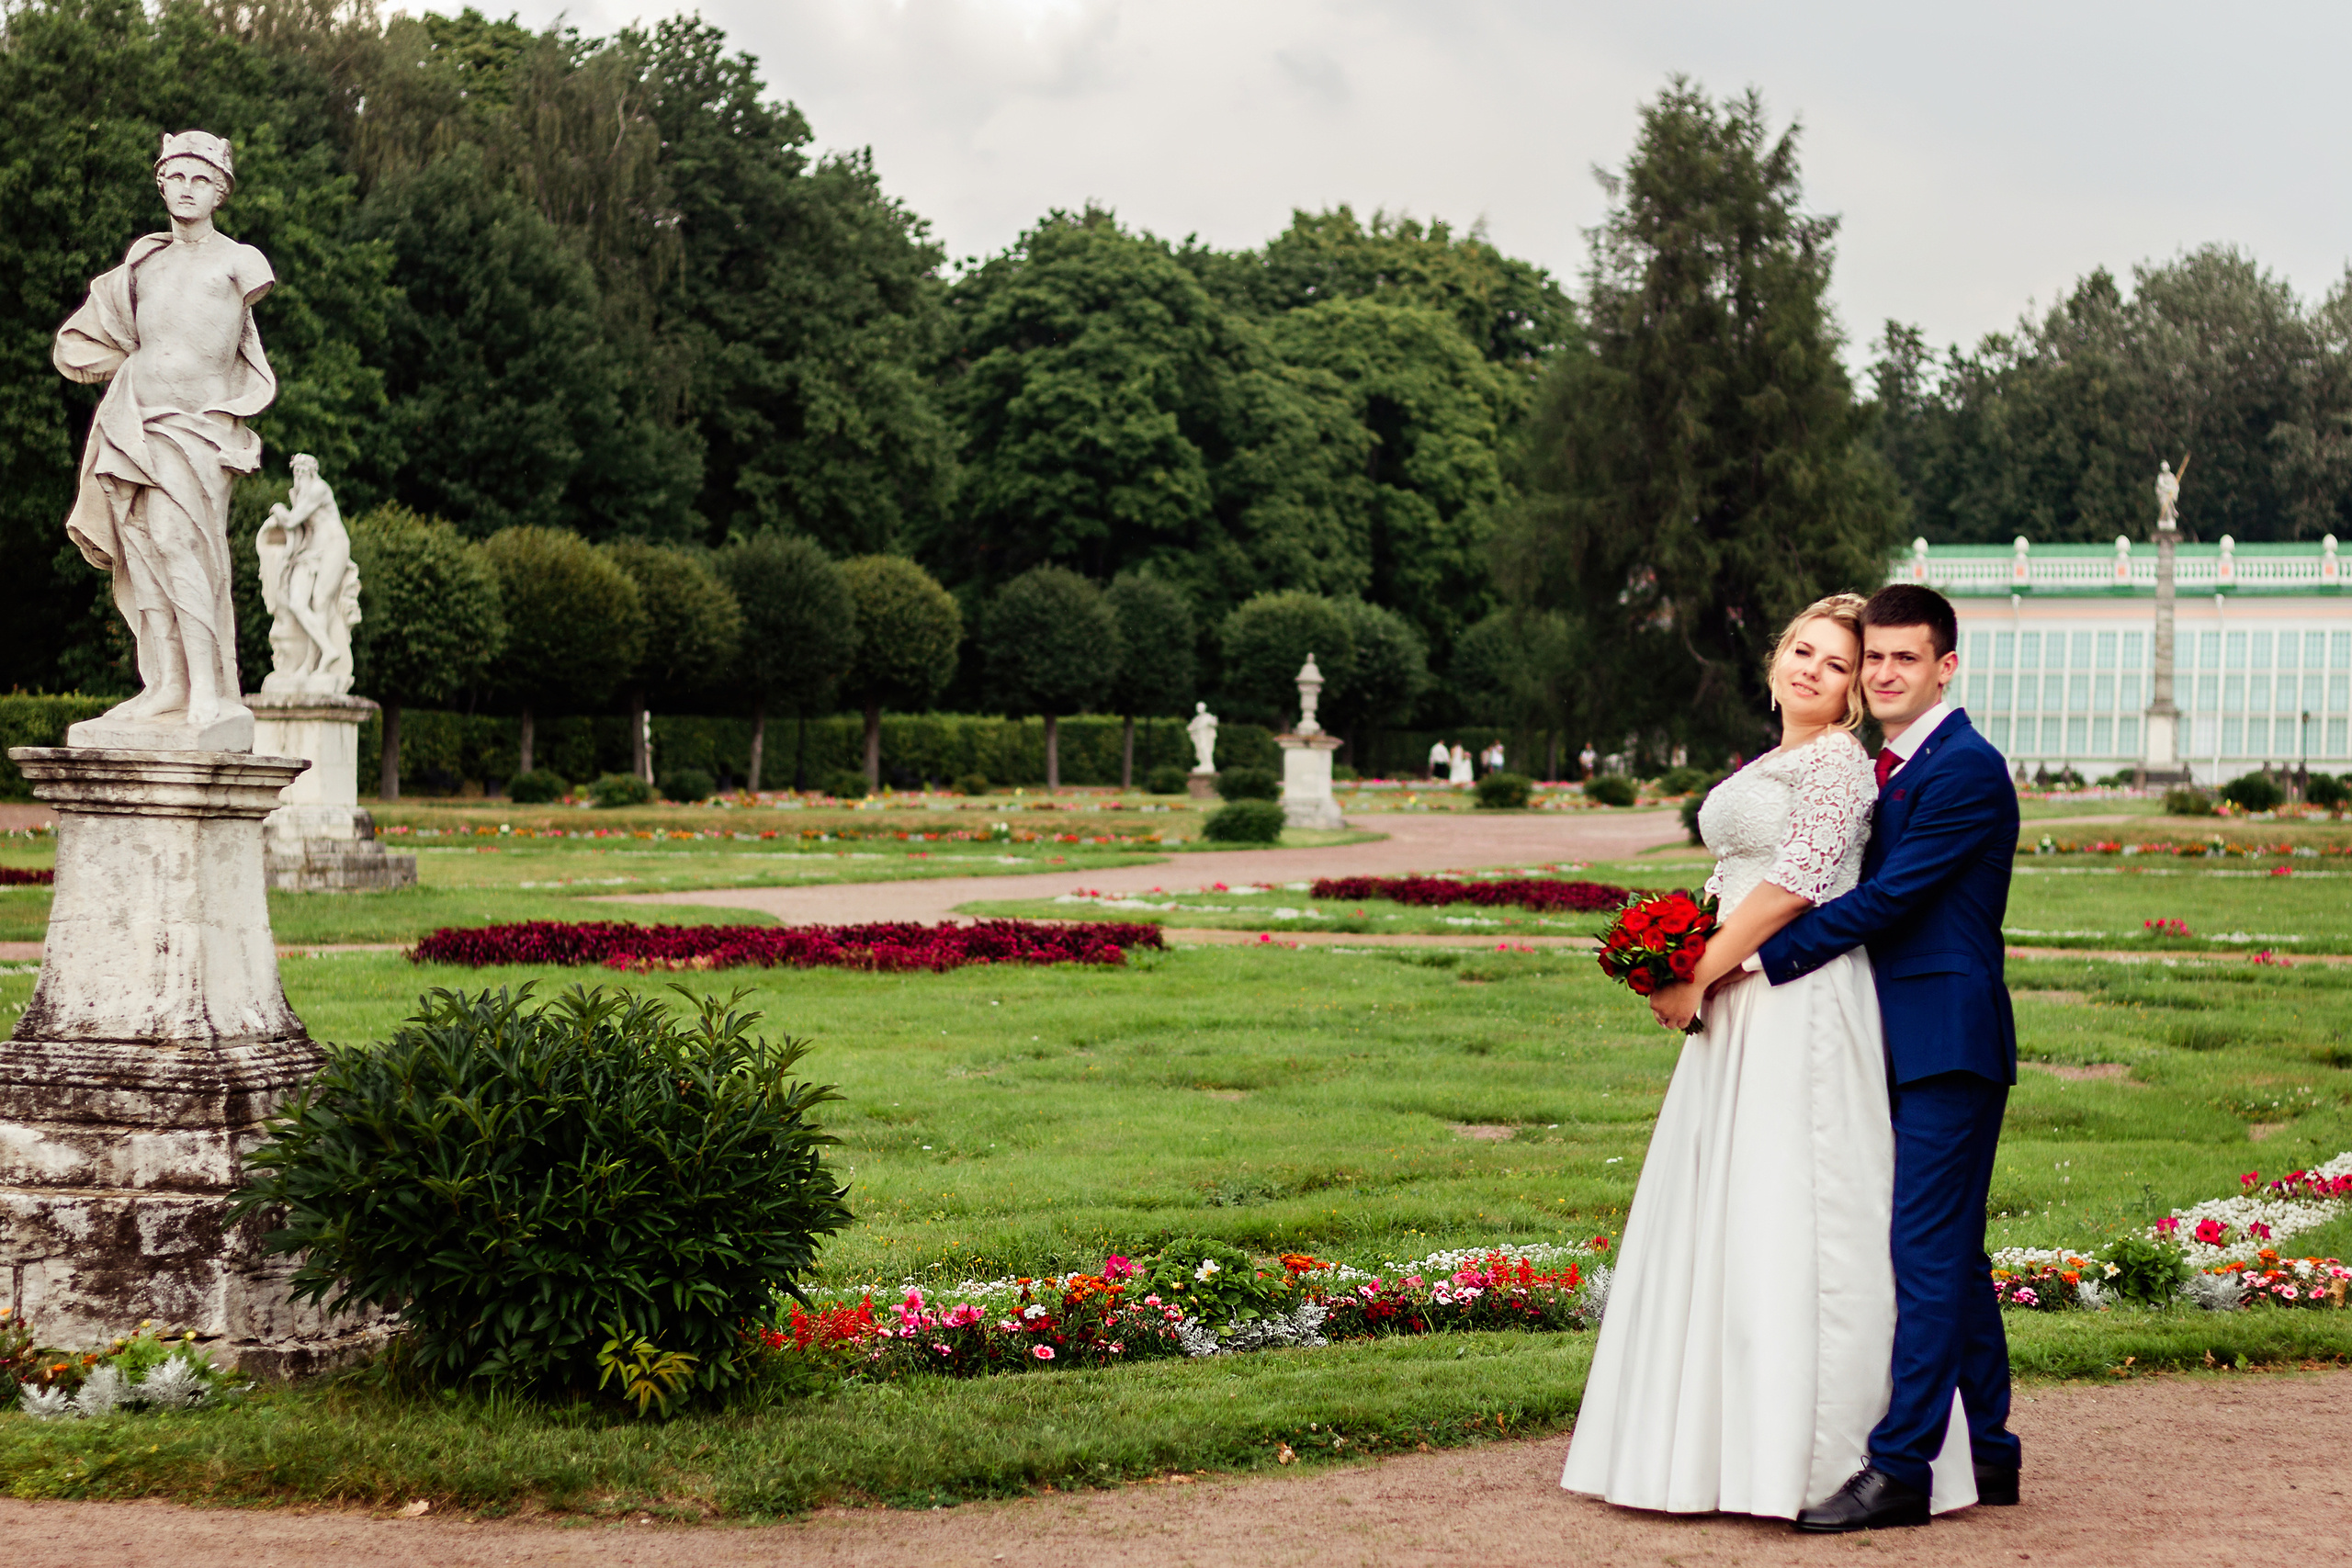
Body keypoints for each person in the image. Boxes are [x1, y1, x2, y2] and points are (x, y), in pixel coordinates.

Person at [1561, 592, 1974, 1521]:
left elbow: (1795, 885)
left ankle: (1807, 1457)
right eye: (1802, 650)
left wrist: (1696, 972)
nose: (1812, 670)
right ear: (1776, 658)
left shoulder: (1837, 763)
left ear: (1853, 692)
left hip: (1798, 1000)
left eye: (1837, 664)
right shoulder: (1773, 759)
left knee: (1793, 1211)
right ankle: (1708, 1448)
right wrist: (1670, 950)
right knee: (1724, 1206)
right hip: (1736, 993)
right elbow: (1735, 874)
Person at [1750, 583, 2022, 1532]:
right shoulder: (1891, 765)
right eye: (1874, 657)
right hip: (1891, 1038)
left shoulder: (1965, 768)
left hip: (1946, 1044)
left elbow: (1889, 899)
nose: (1883, 673)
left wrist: (1754, 959)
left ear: (1946, 667)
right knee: (1953, 1252)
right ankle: (1989, 1449)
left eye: (1905, 657)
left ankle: (1902, 1465)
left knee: (1922, 1252)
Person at [54, 130, 275, 737]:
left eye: (201, 179)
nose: (186, 189)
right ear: (160, 184)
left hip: (197, 428)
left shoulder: (241, 262)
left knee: (181, 541)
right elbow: (78, 342)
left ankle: (207, 687)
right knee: (144, 548)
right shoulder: (142, 265)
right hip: (134, 422)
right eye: (175, 176)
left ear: (221, 191)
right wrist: (126, 368)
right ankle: (169, 684)